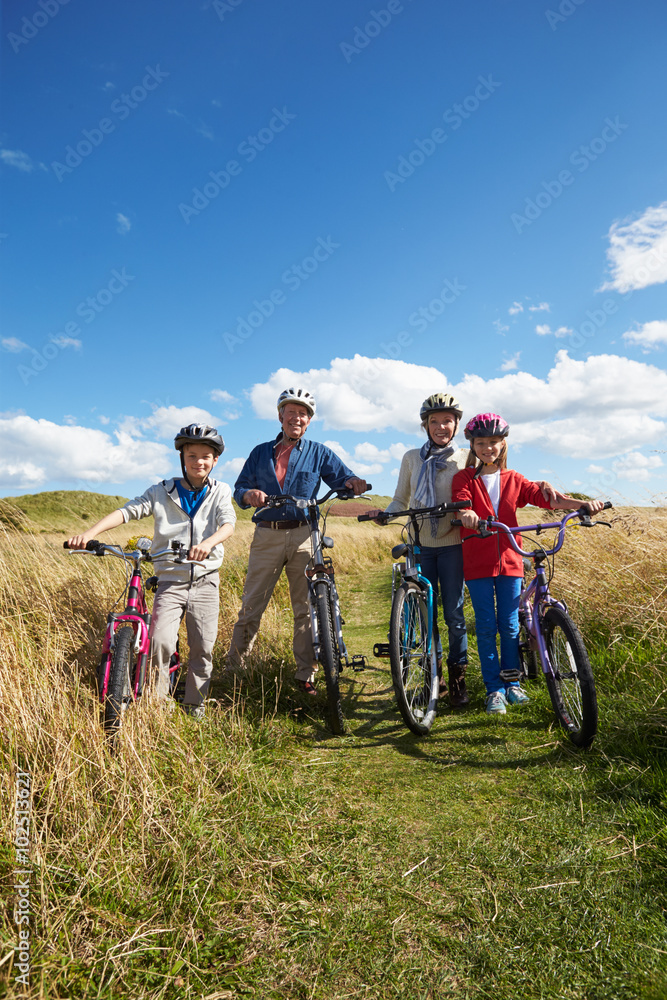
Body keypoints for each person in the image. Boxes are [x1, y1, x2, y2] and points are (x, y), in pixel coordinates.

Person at [65, 424, 236, 717]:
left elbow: (228, 524)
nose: (199, 462)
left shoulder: (221, 490)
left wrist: (207, 544)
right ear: (182, 457)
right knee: (159, 642)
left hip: (205, 580)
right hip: (170, 580)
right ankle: (158, 705)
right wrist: (89, 533)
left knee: (203, 648)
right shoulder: (161, 491)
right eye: (192, 455)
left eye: (206, 456)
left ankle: (195, 704)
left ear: (215, 460)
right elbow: (127, 511)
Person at [452, 413, 605, 715]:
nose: (488, 448)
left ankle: (513, 684)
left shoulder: (515, 479)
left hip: (510, 559)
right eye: (481, 442)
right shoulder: (464, 478)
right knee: (485, 626)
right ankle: (493, 689)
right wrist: (466, 514)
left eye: (493, 442)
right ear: (472, 445)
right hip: (478, 559)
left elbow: (549, 500)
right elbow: (461, 503)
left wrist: (584, 505)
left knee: (509, 624)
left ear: (503, 443)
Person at [226, 387, 368, 695]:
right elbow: (239, 488)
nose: (297, 417)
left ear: (309, 420)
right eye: (291, 412)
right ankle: (233, 669)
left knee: (306, 607)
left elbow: (343, 478)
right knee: (252, 605)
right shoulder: (259, 452)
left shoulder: (319, 452)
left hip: (306, 534)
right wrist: (248, 495)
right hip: (266, 534)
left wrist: (353, 483)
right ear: (280, 416)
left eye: (303, 413)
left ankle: (306, 674)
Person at [367, 393, 471, 706]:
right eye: (434, 421)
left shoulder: (466, 457)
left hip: (453, 546)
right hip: (421, 545)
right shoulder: (412, 457)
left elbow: (472, 498)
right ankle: (433, 677)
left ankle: (458, 680)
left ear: (456, 425)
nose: (441, 426)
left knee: (454, 614)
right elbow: (401, 498)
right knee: (425, 616)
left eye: (447, 421)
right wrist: (386, 513)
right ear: (425, 425)